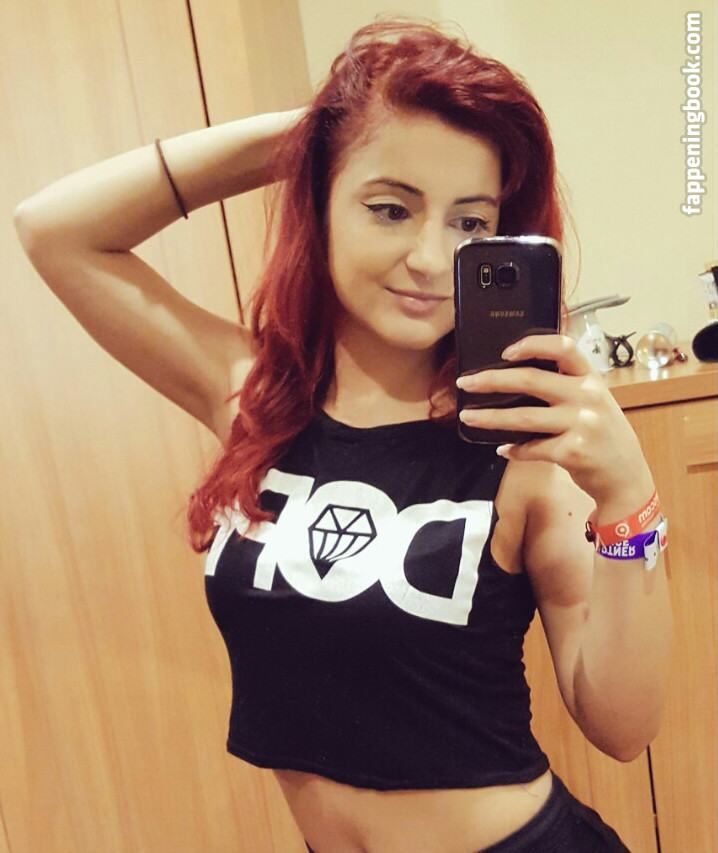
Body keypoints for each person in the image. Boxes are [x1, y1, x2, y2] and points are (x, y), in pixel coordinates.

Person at [14, 18, 672, 853]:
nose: (430, 257)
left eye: (469, 223)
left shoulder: (522, 445)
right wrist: (313, 133)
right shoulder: (253, 397)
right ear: (319, 203)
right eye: (390, 207)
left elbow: (623, 726)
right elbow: (54, 230)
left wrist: (626, 496)